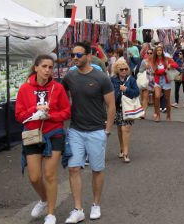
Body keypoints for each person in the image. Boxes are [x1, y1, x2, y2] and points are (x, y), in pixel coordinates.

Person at [61, 41, 115, 223]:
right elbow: (60, 96)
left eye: (78, 55)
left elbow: (111, 106)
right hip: (75, 130)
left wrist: (107, 130)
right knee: (73, 168)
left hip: (96, 131)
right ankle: (77, 209)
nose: (74, 58)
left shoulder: (101, 78)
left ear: (88, 56)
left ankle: (96, 204)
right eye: (72, 55)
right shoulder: (69, 77)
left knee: (97, 169)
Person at [15, 55, 71, 224]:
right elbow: (19, 115)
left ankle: (51, 214)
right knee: (34, 177)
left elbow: (67, 113)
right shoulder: (25, 88)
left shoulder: (58, 88)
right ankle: (44, 199)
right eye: (44, 66)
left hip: (54, 133)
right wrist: (35, 109)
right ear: (36, 68)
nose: (48, 70)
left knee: (50, 175)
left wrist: (50, 115)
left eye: (50, 67)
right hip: (33, 134)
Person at [111, 61, 140, 163]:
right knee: (120, 129)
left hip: (128, 108)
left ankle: (126, 153)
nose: (124, 71)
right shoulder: (113, 80)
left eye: (126, 69)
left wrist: (126, 89)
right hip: (117, 108)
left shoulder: (131, 80)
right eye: (121, 69)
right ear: (117, 70)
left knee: (126, 128)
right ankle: (122, 148)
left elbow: (136, 92)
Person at [147, 45, 179, 122]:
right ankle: (157, 115)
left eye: (160, 50)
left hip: (166, 80)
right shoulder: (153, 61)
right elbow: (155, 71)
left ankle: (168, 115)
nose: (159, 52)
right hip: (158, 80)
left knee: (167, 99)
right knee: (157, 97)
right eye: (157, 50)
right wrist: (165, 70)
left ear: (162, 51)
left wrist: (170, 65)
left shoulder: (166, 59)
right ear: (155, 52)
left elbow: (176, 65)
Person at [138, 47, 156, 117]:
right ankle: (144, 113)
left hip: (154, 80)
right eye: (147, 53)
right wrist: (145, 68)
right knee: (145, 97)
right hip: (146, 80)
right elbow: (140, 71)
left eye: (150, 53)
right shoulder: (144, 61)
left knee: (156, 97)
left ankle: (156, 112)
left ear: (153, 54)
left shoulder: (155, 61)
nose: (149, 54)